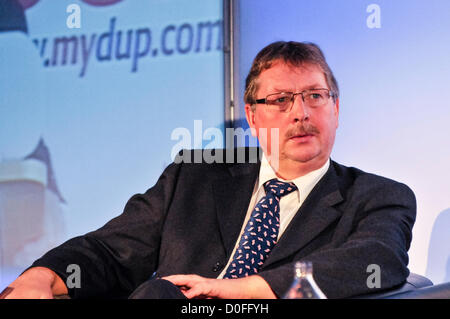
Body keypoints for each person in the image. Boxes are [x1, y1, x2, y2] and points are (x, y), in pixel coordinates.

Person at [1, 41, 416, 299]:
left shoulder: (378, 196)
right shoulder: (194, 177)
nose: (301, 114)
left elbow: (378, 260)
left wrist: (240, 290)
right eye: (282, 100)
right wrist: (42, 276)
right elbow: (111, 250)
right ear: (252, 119)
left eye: (315, 96)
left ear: (336, 109)